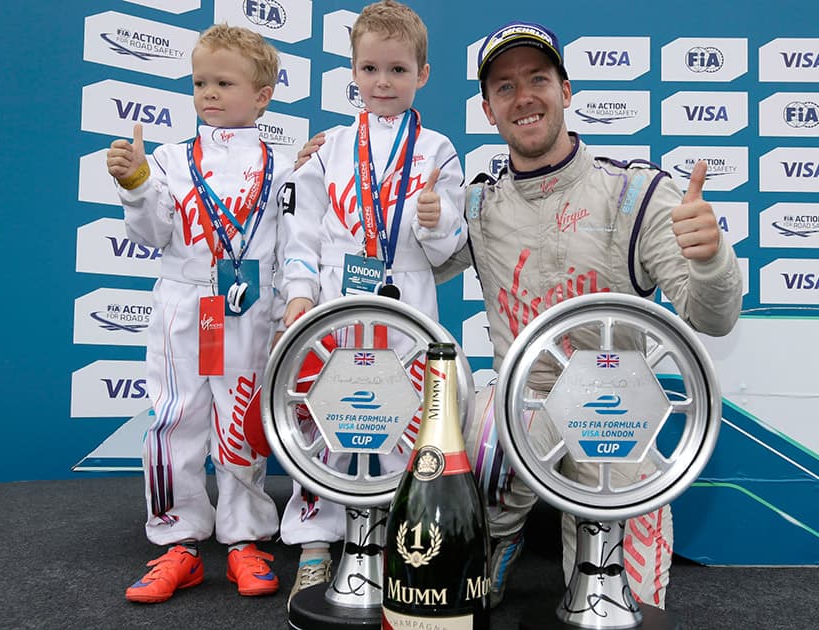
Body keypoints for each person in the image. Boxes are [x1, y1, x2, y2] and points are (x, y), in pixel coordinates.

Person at [434, 21, 745, 610]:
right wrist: (332, 171)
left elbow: (714, 319)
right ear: (488, 108)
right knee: (475, 433)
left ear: (566, 90)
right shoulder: (477, 205)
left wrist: (710, 260)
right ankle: (496, 538)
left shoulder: (636, 195)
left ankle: (601, 572)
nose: (523, 97)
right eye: (505, 87)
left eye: (538, 80)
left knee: (628, 603)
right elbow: (399, 260)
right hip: (523, 404)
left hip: (615, 408)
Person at [278, 0, 467, 606]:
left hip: (406, 298)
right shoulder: (329, 147)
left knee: (402, 415)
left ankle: (389, 538)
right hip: (336, 299)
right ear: (353, 73)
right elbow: (301, 231)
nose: (383, 83)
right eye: (370, 69)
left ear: (423, 74)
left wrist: (437, 223)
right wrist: (301, 294)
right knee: (324, 414)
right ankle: (315, 540)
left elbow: (449, 247)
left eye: (397, 70)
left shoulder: (437, 149)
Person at [105, 24, 293, 604]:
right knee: (174, 418)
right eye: (199, 83)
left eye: (224, 82)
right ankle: (178, 541)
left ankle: (244, 537)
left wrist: (287, 309)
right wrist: (136, 184)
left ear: (262, 95)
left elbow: (291, 249)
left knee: (240, 423)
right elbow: (154, 231)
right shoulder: (168, 159)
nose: (208, 93)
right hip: (185, 305)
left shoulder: (284, 165)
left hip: (249, 305)